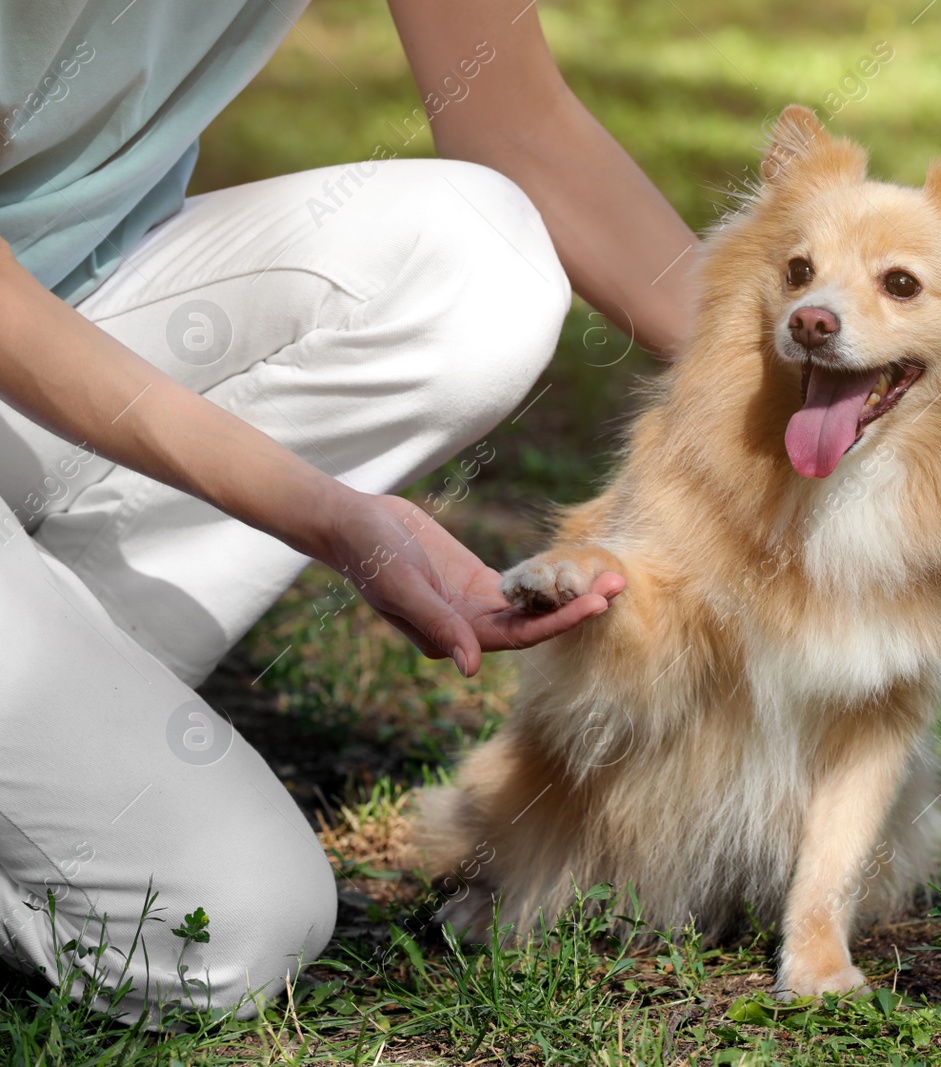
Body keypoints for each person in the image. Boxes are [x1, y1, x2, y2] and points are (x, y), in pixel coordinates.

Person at [0, 0, 699, 1025]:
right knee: (221, 927)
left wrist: (778, 375)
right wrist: (322, 511)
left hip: (76, 325)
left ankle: (63, 697)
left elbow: (518, 119)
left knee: (475, 258)